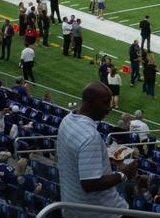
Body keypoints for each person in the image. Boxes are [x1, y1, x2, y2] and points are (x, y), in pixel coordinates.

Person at [56, 83, 138, 218]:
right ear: (91, 102)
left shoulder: (67, 120)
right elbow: (90, 184)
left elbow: (76, 155)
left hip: (72, 207)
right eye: (106, 102)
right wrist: (124, 174)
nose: (109, 107)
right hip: (103, 212)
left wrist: (103, 157)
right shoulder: (90, 137)